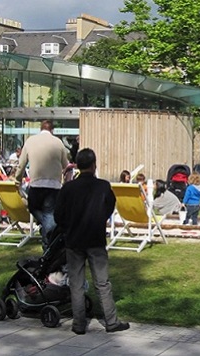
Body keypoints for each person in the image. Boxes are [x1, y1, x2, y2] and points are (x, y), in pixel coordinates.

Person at [54, 148, 130, 335]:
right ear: (94, 165)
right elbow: (109, 208)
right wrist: (99, 219)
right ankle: (111, 321)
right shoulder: (103, 187)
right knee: (102, 282)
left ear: (78, 166)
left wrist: (68, 227)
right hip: (95, 239)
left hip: (74, 240)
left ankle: (79, 323)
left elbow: (58, 215)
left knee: (76, 283)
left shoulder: (68, 188)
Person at [15, 120, 70, 250]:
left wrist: (17, 180)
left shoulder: (30, 141)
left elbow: (21, 164)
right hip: (53, 186)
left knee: (34, 208)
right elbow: (66, 166)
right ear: (52, 130)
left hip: (36, 184)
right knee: (49, 217)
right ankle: (49, 238)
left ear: (40, 129)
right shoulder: (58, 143)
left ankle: (47, 243)